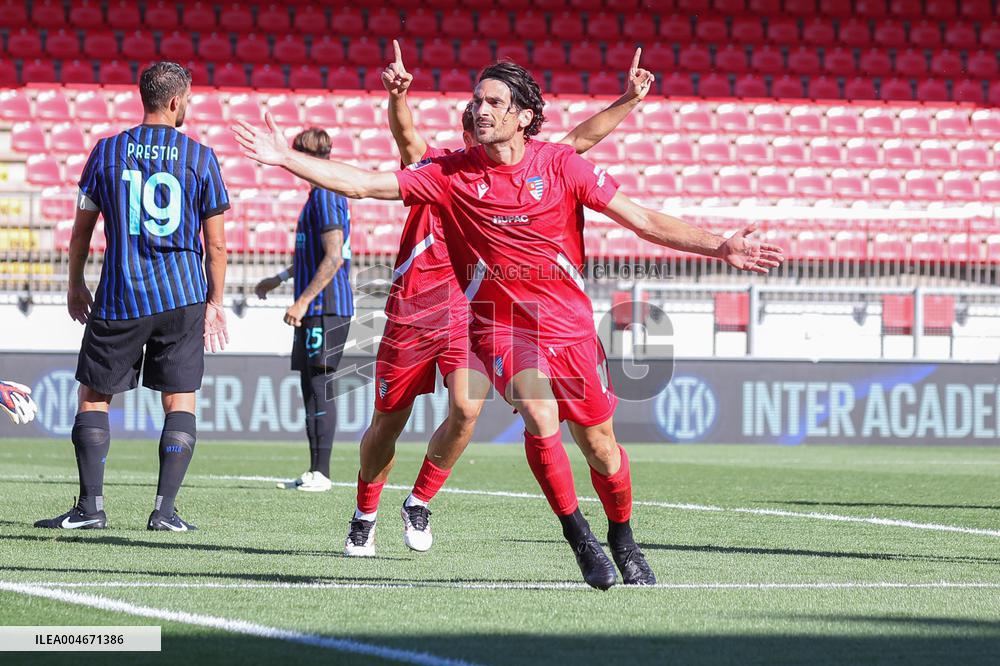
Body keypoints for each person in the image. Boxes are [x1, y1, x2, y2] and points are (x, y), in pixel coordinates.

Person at [232, 62, 783, 588]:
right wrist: (286, 158)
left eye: (494, 101)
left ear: (523, 116)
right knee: (539, 414)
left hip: (569, 328)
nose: (481, 108)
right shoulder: (449, 175)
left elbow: (640, 220)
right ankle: (580, 537)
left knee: (601, 447)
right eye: (478, 99)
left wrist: (721, 245)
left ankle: (622, 537)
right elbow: (362, 183)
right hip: (498, 327)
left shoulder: (561, 164)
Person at [344, 41, 656, 557]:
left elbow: (577, 140)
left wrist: (627, 101)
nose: (478, 119)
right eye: (473, 111)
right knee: (387, 423)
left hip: (472, 314)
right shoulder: (440, 171)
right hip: (413, 312)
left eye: (487, 110)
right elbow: (405, 138)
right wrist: (399, 98)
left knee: (468, 408)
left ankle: (419, 500)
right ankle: (365, 510)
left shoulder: (525, 167)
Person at [36, 61, 230, 532]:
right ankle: (164, 511)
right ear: (176, 101)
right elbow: (218, 243)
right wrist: (216, 302)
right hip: (182, 295)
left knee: (94, 396)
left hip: (120, 294)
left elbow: (81, 232)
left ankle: (91, 508)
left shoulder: (105, 153)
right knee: (179, 400)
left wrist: (75, 282)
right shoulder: (200, 157)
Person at [255, 129, 352, 493]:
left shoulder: (326, 193)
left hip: (327, 308)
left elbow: (334, 255)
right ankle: (314, 470)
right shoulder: (318, 195)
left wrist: (303, 301)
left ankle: (323, 472)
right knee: (309, 387)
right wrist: (278, 279)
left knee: (320, 385)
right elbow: (311, 258)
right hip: (317, 307)